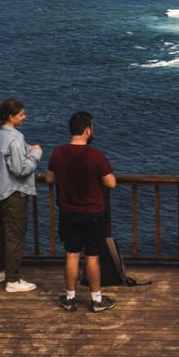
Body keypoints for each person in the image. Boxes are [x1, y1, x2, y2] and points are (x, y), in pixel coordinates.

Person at [48, 111, 118, 313]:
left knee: (71, 254)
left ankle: (70, 298)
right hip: (93, 212)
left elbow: (50, 179)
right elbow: (110, 183)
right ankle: (96, 299)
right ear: (87, 131)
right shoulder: (95, 155)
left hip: (68, 211)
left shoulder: (58, 152)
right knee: (92, 256)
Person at [0, 97, 41, 293]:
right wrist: (35, 154)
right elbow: (21, 169)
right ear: (11, 116)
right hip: (14, 193)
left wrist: (26, 149)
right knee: (15, 236)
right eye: (21, 114)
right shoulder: (15, 137)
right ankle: (13, 280)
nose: (25, 117)